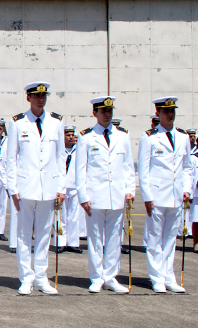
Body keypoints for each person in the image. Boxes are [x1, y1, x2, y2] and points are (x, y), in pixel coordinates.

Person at [5, 82, 66, 295]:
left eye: (43, 96)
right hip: (25, 187)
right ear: (28, 98)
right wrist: (12, 188)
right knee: (23, 234)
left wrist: (61, 187)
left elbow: (60, 156)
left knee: (43, 234)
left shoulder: (56, 122)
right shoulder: (19, 123)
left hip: (48, 187)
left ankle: (41, 277)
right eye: (36, 96)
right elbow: (10, 158)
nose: (40, 99)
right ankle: (26, 278)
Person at [75, 96, 135, 294]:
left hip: (116, 196)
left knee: (114, 239)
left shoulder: (122, 136)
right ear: (95, 113)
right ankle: (96, 278)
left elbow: (128, 166)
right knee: (95, 239)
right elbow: (80, 169)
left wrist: (130, 190)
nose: (107, 115)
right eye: (103, 111)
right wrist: (83, 196)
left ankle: (111, 277)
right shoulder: (86, 136)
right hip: (95, 197)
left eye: (110, 111)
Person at [137, 96, 193, 293]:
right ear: (158, 114)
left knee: (170, 238)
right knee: (154, 238)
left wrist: (187, 188)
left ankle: (169, 276)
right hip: (157, 195)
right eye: (166, 111)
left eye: (172, 111)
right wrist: (147, 196)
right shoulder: (150, 137)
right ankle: (156, 278)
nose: (170, 114)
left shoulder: (184, 137)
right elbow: (143, 170)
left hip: (176, 195)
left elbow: (187, 167)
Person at [59, 125, 84, 254]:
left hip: (74, 186)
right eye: (68, 135)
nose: (71, 137)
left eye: (72, 135)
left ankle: (73, 242)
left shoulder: (78, 150)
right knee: (61, 216)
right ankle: (60, 242)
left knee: (74, 216)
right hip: (62, 187)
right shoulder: (59, 150)